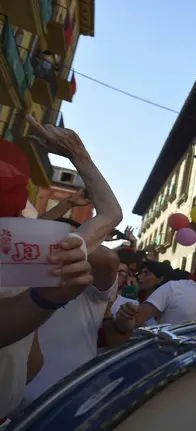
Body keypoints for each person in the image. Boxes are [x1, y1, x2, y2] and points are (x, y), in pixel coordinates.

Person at [21, 116, 124, 406]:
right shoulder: (25, 266)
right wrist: (78, 154)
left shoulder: (31, 261)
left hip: (68, 397)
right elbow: (111, 215)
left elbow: (106, 258)